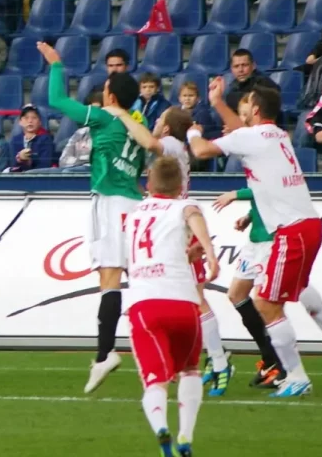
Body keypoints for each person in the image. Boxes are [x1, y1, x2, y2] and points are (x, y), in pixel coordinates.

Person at [188, 79, 322, 397]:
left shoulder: (251, 137)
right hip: (305, 226)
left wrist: (191, 129)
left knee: (266, 304)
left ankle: (295, 375)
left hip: (291, 230)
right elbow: (241, 131)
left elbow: (200, 150)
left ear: (254, 109)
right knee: (269, 301)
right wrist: (217, 102)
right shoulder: (277, 134)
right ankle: (298, 364)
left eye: (248, 103)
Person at [100, 103, 234, 396]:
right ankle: (200, 358)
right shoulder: (178, 150)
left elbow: (147, 141)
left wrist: (122, 115)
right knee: (187, 298)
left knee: (196, 299)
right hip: (175, 223)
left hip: (176, 228)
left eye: (160, 119)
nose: (156, 122)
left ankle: (220, 359)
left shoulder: (170, 144)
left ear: (170, 127)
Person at [38, 40, 144, 394]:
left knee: (110, 278)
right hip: (135, 204)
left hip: (110, 203)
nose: (101, 94)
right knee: (143, 279)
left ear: (111, 97)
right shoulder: (134, 122)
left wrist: (56, 65)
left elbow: (57, 102)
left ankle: (104, 354)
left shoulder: (102, 117)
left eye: (105, 89)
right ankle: (168, 352)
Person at [123, 156, 219, 457]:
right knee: (190, 370)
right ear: (181, 185)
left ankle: (161, 426)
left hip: (146, 305)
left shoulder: (132, 214)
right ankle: (186, 435)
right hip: (184, 303)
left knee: (155, 380)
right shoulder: (182, 206)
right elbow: (192, 214)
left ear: (148, 183)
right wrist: (207, 251)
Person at [214, 183, 322, 379]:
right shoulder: (259, 162)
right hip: (255, 242)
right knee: (237, 294)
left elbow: (271, 188)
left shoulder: (270, 159)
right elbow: (266, 196)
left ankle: (282, 366)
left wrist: (235, 194)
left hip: (272, 240)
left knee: (268, 300)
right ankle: (274, 356)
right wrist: (250, 216)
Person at [9, 105, 55, 172]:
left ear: (40, 122)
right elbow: (11, 164)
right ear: (20, 122)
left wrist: (29, 161)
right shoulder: (15, 140)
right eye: (26, 118)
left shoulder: (46, 140)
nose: (30, 121)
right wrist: (19, 159)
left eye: (34, 118)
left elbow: (45, 165)